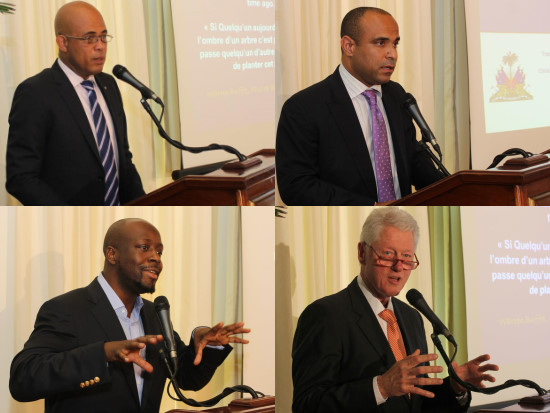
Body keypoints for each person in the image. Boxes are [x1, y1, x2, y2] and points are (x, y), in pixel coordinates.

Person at [9, 218, 250, 413]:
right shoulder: (67, 309)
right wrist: (103, 354)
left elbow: (186, 379)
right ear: (112, 254)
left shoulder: (154, 314)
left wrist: (208, 346)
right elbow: (23, 379)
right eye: (145, 247)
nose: (156, 258)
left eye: (160, 251)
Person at [292, 207, 498, 412]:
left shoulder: (411, 317)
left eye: (407, 257)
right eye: (388, 254)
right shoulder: (325, 315)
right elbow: (306, 405)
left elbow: (417, 404)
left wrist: (455, 388)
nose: (398, 267)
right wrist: (381, 387)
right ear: (362, 253)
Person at [276, 7, 444, 205]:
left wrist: (453, 190)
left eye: (395, 44)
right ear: (349, 46)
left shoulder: (396, 95)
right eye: (380, 43)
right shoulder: (303, 108)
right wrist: (372, 207)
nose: (393, 54)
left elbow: (412, 159)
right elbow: (297, 187)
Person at [6, 1, 145, 205]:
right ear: (63, 43)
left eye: (103, 37)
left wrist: (143, 205)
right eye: (89, 38)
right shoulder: (36, 93)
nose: (100, 46)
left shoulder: (109, 84)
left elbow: (122, 159)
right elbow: (21, 178)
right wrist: (68, 216)